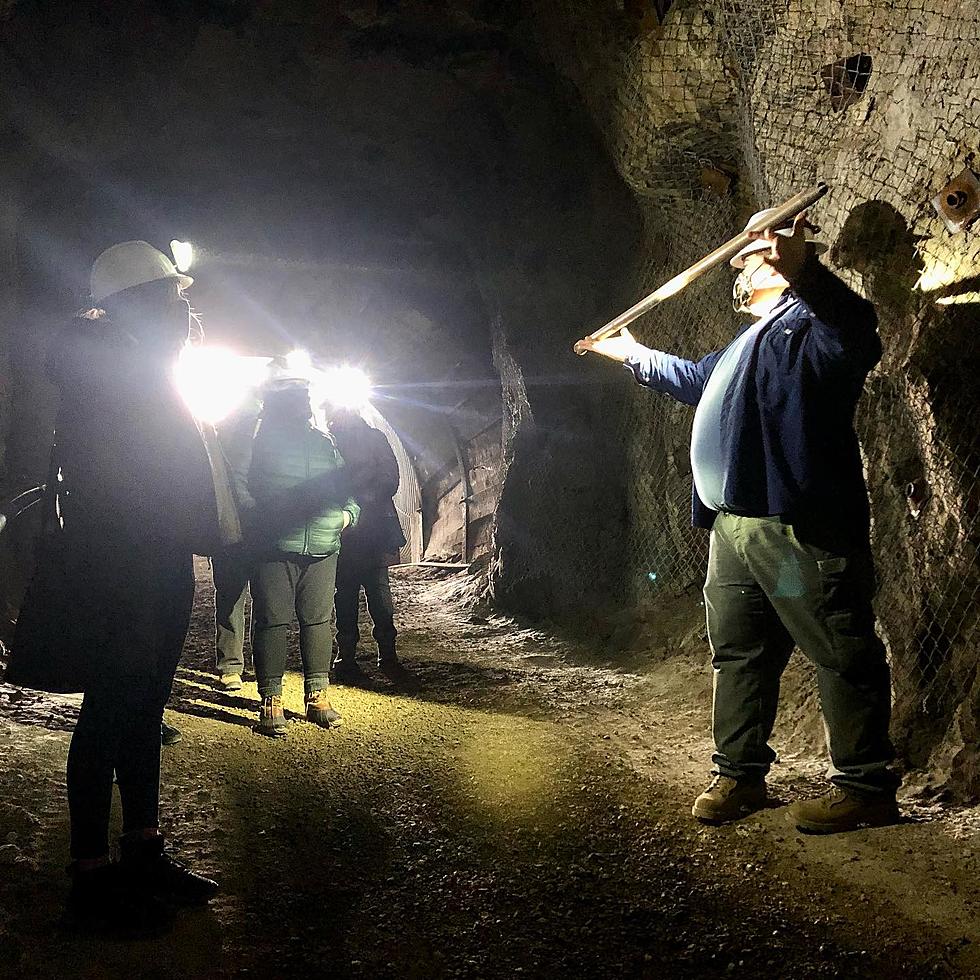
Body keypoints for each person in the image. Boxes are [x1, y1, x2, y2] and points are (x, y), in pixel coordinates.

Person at [579, 211, 900, 834]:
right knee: (739, 651)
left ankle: (866, 787)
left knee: (836, 645)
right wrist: (633, 356)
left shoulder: (811, 324)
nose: (738, 263)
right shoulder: (747, 342)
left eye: (750, 257)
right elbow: (699, 382)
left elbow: (859, 332)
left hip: (792, 525)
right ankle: (739, 774)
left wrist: (804, 269)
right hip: (734, 525)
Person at [39, 242, 222, 932]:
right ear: (136, 304)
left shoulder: (142, 368)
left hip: (158, 556)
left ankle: (142, 851)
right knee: (109, 710)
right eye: (173, 298)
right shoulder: (102, 373)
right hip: (119, 562)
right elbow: (114, 480)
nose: (184, 310)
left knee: (145, 707)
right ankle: (89, 878)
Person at [233, 371, 359, 736]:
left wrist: (347, 515)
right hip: (276, 545)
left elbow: (346, 488)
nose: (303, 405)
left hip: (322, 545)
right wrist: (259, 519)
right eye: (298, 399)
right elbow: (240, 485)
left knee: (317, 619)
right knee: (273, 619)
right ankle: (271, 697)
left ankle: (317, 693)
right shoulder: (259, 443)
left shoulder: (324, 443)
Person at [328, 409, 407, 684]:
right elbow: (390, 477)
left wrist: (355, 500)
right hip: (367, 527)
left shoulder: (334, 441)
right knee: (373, 591)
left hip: (355, 528)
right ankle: (384, 656)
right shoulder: (371, 438)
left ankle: (348, 657)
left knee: (350, 593)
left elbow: (389, 479)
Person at [211, 394, 263, 692]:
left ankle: (233, 665)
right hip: (243, 531)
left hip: (232, 532)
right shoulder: (219, 446)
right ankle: (240, 663)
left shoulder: (218, 442)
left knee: (232, 596)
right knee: (250, 597)